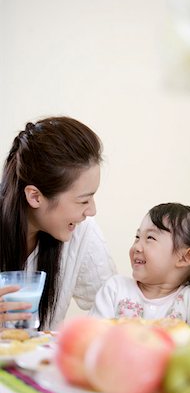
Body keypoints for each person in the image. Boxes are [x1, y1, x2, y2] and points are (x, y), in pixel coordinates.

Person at [0, 117, 116, 330]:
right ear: (35, 197)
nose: (92, 211)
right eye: (83, 200)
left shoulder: (82, 232)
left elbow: (115, 309)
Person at [90, 202, 190, 326]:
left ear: (185, 257)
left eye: (150, 238)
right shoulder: (115, 289)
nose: (136, 246)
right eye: (137, 236)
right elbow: (92, 334)